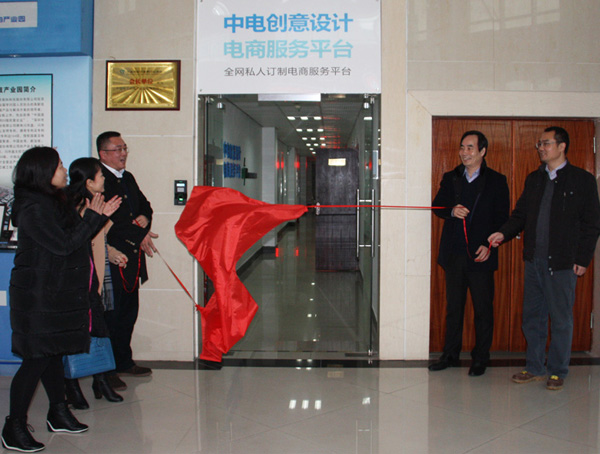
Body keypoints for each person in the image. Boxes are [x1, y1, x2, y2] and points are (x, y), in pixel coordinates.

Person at [1, 147, 119, 453]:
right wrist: (93, 217)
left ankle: (58, 412)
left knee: (53, 353)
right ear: (43, 172)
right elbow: (64, 245)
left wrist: (97, 217)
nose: (64, 171)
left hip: (56, 292)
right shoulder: (33, 208)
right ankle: (13, 427)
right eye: (59, 166)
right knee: (36, 359)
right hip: (38, 295)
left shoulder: (55, 201)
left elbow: (77, 237)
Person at [488, 126, 600, 390]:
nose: (541, 148)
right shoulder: (534, 179)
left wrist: (583, 259)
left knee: (561, 320)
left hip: (562, 263)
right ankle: (535, 367)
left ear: (562, 146)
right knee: (532, 318)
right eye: (539, 144)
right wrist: (503, 233)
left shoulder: (582, 180)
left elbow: (592, 223)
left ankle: (557, 371)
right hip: (534, 261)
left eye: (546, 143)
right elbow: (520, 215)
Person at [429, 131, 510, 376]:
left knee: (483, 309)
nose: (464, 153)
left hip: (481, 254)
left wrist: (489, 245)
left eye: (470, 148)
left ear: (482, 151)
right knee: (454, 308)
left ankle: (480, 357)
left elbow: (502, 218)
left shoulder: (497, 180)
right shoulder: (451, 177)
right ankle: (450, 355)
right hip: (454, 255)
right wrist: (451, 211)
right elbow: (437, 206)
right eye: (462, 147)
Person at [63, 157, 128, 409]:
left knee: (100, 330)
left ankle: (101, 381)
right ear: (89, 182)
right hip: (76, 281)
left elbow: (98, 241)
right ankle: (71, 386)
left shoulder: (96, 203)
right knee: (75, 334)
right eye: (100, 175)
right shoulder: (74, 207)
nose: (104, 179)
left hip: (94, 277)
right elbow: (80, 241)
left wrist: (113, 254)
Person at [97, 131, 157, 387]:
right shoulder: (98, 180)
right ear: (103, 154)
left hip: (132, 257)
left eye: (124, 148)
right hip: (112, 256)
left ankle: (123, 361)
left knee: (128, 312)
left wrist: (145, 219)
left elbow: (144, 205)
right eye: (118, 149)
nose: (123, 154)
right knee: (111, 315)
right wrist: (139, 234)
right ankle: (107, 369)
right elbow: (108, 221)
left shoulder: (128, 177)